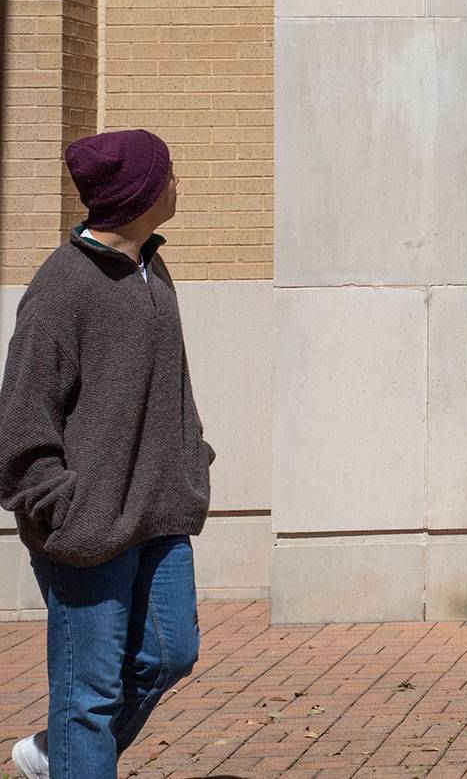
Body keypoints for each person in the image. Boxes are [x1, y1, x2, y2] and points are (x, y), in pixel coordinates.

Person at [0, 130, 212, 779]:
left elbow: (166, 387)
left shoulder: (152, 266)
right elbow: (20, 418)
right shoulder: (62, 286)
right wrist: (64, 511)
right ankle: (72, 751)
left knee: (172, 651)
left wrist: (189, 461)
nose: (177, 181)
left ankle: (54, 753)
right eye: (167, 173)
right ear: (139, 193)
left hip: (158, 512)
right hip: (88, 532)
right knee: (87, 700)